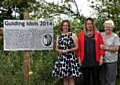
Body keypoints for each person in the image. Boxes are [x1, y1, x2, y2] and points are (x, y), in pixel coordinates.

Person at [52, 20, 81, 85]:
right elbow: (56, 48)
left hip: (71, 58)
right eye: (64, 25)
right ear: (62, 27)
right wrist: (60, 51)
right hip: (62, 59)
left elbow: (77, 47)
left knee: (71, 78)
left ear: (69, 27)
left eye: (67, 25)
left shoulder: (72, 35)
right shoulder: (59, 36)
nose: (65, 27)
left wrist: (68, 50)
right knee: (64, 78)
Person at [77, 18, 104, 85]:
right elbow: (79, 48)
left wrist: (101, 57)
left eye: (91, 24)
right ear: (85, 25)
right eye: (88, 24)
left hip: (95, 60)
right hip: (85, 61)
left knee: (96, 80)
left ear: (93, 25)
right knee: (86, 80)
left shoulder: (98, 34)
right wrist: (79, 59)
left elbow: (102, 46)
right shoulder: (81, 34)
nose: (89, 25)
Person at [100, 20, 120, 85]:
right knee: (102, 79)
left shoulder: (115, 37)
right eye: (106, 26)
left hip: (111, 61)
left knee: (111, 80)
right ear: (104, 27)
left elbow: (116, 48)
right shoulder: (101, 35)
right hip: (101, 61)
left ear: (112, 27)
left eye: (109, 26)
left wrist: (105, 48)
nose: (108, 28)